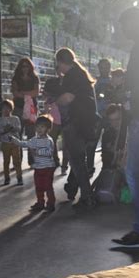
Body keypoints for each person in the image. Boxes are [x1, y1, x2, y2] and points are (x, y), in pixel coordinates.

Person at [113, 7, 139, 246]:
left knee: (134, 172)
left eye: (125, 24)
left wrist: (129, 95)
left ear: (135, 23)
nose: (123, 29)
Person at [56, 47, 98, 209]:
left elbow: (67, 98)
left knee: (77, 162)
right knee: (79, 160)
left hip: (75, 122)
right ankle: (74, 189)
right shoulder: (81, 74)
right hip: (86, 123)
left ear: (60, 62)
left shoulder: (71, 76)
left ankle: (87, 197)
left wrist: (56, 101)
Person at [11, 115, 56, 212]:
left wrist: (37, 152)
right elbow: (25, 143)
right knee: (38, 186)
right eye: (38, 127)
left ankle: (51, 203)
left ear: (48, 129)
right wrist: (16, 141)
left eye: (42, 127)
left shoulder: (48, 140)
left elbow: (49, 153)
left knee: (48, 186)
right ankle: (40, 203)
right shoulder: (34, 140)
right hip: (38, 168)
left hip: (48, 168)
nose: (39, 129)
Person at [11, 58, 40, 165]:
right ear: (19, 67)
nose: (25, 68)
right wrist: (28, 93)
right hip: (18, 108)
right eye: (23, 66)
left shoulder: (34, 78)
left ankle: (32, 160)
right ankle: (17, 161)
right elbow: (15, 93)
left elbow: (36, 93)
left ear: (30, 67)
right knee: (17, 134)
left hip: (32, 109)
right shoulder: (16, 78)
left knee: (31, 135)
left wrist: (22, 93)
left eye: (27, 66)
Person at [0, 99, 22, 186]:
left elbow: (19, 129)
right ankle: (7, 178)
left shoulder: (15, 118)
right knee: (6, 161)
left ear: (11, 109)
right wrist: (5, 130)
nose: (6, 110)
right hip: (5, 143)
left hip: (15, 143)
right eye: (4, 108)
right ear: (1, 109)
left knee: (17, 161)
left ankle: (19, 178)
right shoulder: (0, 120)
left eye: (8, 108)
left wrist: (12, 128)